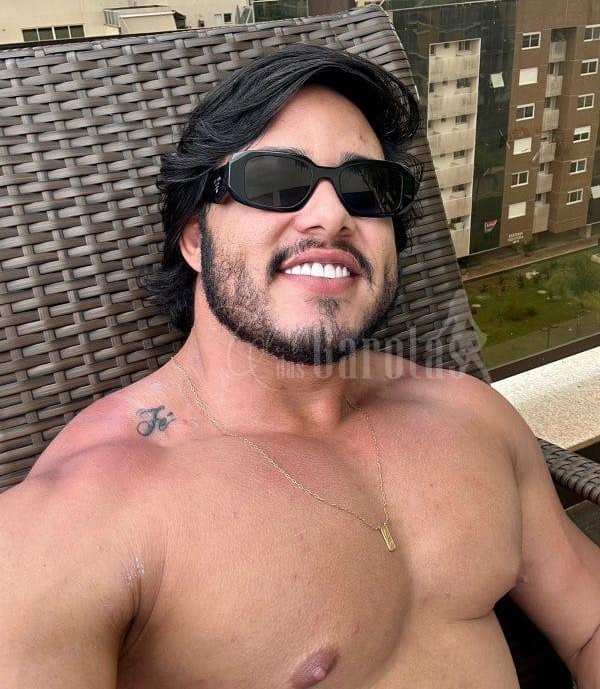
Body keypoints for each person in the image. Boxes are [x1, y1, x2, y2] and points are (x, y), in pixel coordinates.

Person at [1, 44, 598, 689]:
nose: (333, 215)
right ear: (196, 237)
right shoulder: (76, 523)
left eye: (367, 188)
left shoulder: (467, 413)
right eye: (274, 179)